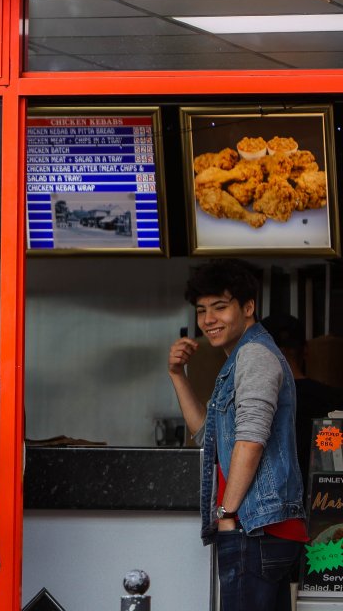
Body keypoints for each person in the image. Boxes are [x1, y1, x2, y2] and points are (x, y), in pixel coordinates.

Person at [167, 259, 306, 611]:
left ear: (248, 307)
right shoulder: (241, 358)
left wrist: (227, 512)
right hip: (259, 526)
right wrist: (177, 375)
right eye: (201, 310)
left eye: (219, 307)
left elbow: (251, 441)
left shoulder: (255, 356)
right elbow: (207, 435)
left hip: (255, 526)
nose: (208, 319)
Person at [260, 312, 343, 487]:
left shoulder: (256, 403)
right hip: (324, 504)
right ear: (305, 351)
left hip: (267, 507)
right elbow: (334, 467)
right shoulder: (335, 401)